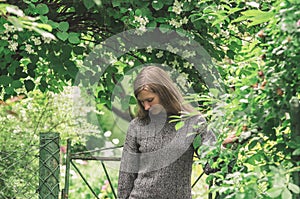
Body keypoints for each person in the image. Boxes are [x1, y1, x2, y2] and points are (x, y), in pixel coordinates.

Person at [117, 66, 217, 199]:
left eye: (150, 100)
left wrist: (225, 147)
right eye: (142, 102)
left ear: (164, 93)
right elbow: (126, 176)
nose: (146, 106)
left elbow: (212, 166)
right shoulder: (137, 126)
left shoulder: (193, 122)